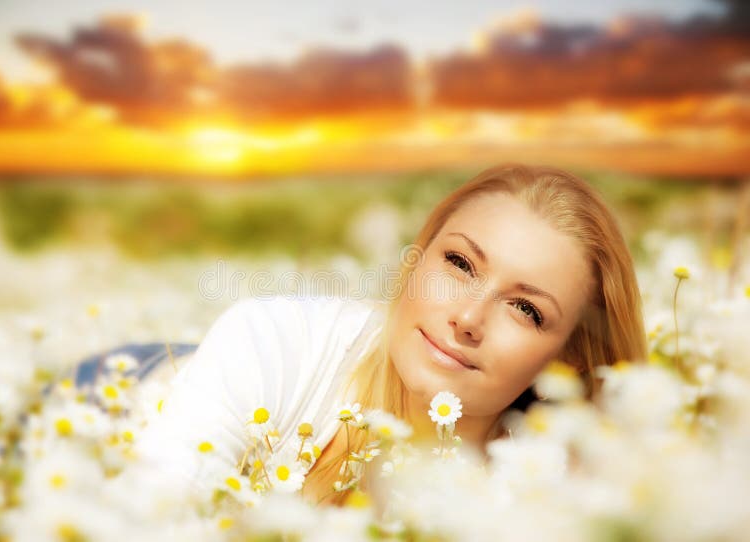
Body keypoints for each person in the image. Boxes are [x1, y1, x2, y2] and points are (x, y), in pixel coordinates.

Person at [126, 163, 648, 507]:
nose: (468, 317)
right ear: (416, 258)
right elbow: (152, 515)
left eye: (525, 309)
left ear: (573, 356)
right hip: (125, 388)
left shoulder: (555, 490)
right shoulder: (271, 339)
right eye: (460, 263)